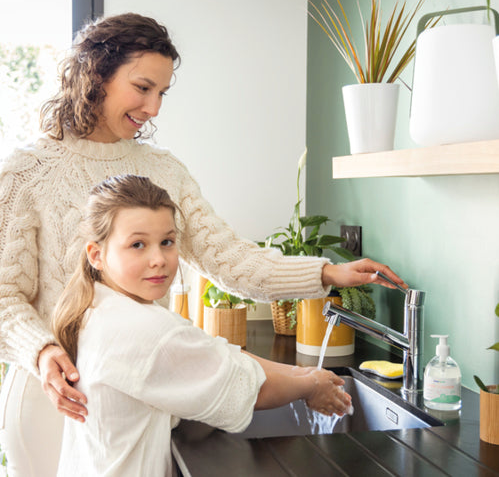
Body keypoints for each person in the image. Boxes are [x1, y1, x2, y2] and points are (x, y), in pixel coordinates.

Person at [0, 12, 405, 477]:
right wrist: (41, 351)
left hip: (137, 392)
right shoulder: (26, 174)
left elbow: (226, 257)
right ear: (96, 74)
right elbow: (4, 296)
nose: (153, 108)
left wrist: (326, 273)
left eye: (162, 93)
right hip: (49, 397)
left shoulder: (163, 171)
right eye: (143, 87)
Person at [52, 174, 353, 477]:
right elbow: (247, 388)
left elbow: (215, 353)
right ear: (97, 255)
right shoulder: (143, 329)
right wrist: (310, 386)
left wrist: (301, 374)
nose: (158, 259)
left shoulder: (100, 306)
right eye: (138, 244)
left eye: (167, 242)